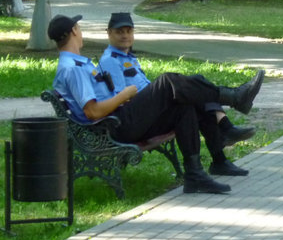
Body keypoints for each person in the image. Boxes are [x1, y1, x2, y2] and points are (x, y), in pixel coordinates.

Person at [49, 13, 264, 193]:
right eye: (79, 27)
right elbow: (93, 112)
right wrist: (124, 95)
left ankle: (194, 175)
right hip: (116, 125)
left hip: (121, 120)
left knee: (183, 105)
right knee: (168, 81)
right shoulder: (73, 68)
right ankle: (233, 97)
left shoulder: (77, 63)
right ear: (75, 31)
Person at [99, 12, 255, 176]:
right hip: (128, 120)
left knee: (191, 97)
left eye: (128, 31)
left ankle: (218, 160)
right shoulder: (110, 60)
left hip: (144, 114)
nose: (125, 36)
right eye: (119, 32)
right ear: (109, 33)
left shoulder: (129, 58)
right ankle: (232, 104)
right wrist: (155, 96)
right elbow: (120, 98)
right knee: (170, 81)